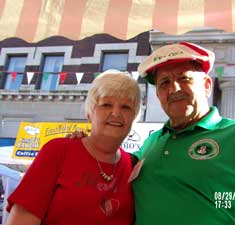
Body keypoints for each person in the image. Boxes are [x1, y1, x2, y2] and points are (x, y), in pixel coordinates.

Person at [132, 42, 235, 225]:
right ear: (158, 94)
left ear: (206, 85)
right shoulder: (149, 144)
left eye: (184, 79)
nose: (174, 89)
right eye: (164, 83)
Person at [5, 70, 141, 225]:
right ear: (90, 113)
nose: (116, 113)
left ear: (134, 116)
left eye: (126, 107)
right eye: (106, 104)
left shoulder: (132, 165)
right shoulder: (58, 152)